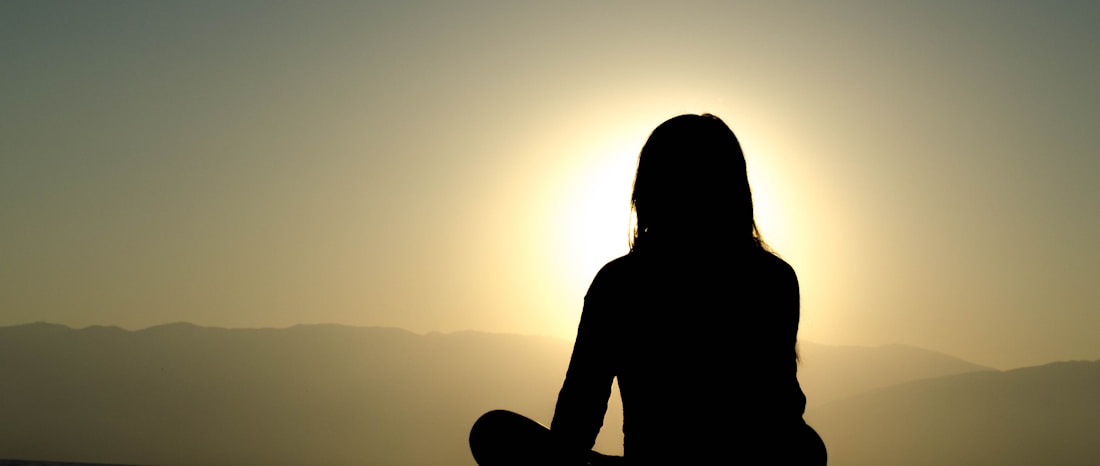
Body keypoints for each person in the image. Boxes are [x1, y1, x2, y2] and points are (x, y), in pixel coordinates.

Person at [470, 114, 826, 465]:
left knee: (493, 431)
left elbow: (579, 414)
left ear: (648, 191)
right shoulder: (773, 277)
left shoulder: (619, 284)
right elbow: (780, 409)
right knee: (808, 447)